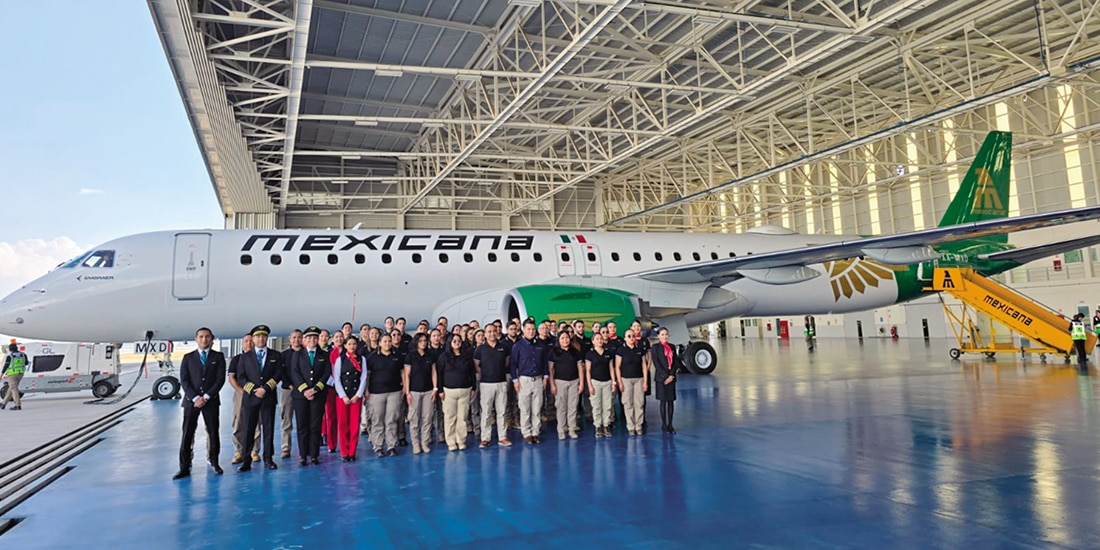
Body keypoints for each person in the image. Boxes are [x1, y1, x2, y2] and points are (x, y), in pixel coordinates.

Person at [173, 328, 226, 480]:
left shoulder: (218, 356)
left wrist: (207, 396)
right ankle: (184, 466)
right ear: (196, 339)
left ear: (212, 339)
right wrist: (196, 397)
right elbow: (184, 380)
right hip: (191, 402)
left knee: (213, 433)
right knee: (187, 434)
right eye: (201, 337)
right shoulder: (188, 357)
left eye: (207, 337)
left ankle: (214, 462)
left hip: (211, 401)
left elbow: (220, 379)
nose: (204, 339)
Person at [231, 325, 282, 472]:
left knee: (268, 429)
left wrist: (265, 389)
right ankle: (246, 460)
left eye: (264, 336)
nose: (261, 339)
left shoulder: (275, 355)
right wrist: (254, 390)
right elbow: (241, 377)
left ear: (267, 338)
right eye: (258, 336)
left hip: (268, 397)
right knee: (248, 430)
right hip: (251, 398)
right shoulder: (245, 357)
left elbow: (278, 374)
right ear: (253, 339)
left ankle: (268, 458)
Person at [289, 326, 331, 465]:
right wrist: (305, 390)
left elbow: (326, 373)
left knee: (315, 426)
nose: (312, 340)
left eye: (315, 338)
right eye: (309, 338)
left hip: (317, 395)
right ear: (305, 340)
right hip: (301, 396)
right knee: (302, 426)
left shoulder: (324, 355)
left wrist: (315, 389)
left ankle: (314, 455)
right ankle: (302, 455)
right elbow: (294, 372)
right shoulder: (298, 354)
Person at [510, 319, 549, 444]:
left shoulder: (540, 345)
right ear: (523, 330)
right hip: (524, 380)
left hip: (538, 379)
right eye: (528, 329)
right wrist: (515, 381)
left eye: (533, 329)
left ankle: (535, 432)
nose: (531, 332)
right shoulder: (518, 346)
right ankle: (526, 433)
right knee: (525, 408)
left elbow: (544, 363)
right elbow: (513, 364)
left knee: (537, 408)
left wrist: (546, 377)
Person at [366, 334, 404, 457]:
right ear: (380, 343)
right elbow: (367, 376)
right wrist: (366, 390)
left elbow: (402, 372)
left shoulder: (397, 356)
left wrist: (404, 387)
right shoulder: (372, 358)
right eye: (385, 341)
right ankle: (378, 446)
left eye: (389, 341)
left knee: (392, 419)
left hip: (394, 392)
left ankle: (391, 445)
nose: (387, 343)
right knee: (377, 420)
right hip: (376, 393)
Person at [474, 324, 511, 448]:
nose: (492, 334)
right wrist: (485, 375)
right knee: (486, 412)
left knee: (502, 411)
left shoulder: (504, 347)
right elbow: (477, 365)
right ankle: (485, 438)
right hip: (486, 384)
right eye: (489, 331)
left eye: (494, 331)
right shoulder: (480, 349)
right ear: (485, 334)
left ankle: (503, 437)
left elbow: (506, 362)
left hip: (501, 382)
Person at [438, 333, 476, 451]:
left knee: (462, 417)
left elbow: (472, 373)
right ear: (449, 342)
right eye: (454, 341)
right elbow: (439, 375)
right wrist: (440, 390)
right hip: (448, 391)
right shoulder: (443, 357)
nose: (457, 343)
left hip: (465, 391)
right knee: (450, 417)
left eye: (459, 341)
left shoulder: (466, 357)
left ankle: (461, 440)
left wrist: (473, 387)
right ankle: (451, 441)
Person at [332, 336, 367, 461]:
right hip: (343, 397)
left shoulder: (362, 359)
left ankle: (352, 451)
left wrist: (358, 394)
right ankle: (344, 452)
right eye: (349, 344)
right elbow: (337, 379)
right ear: (345, 346)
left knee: (354, 425)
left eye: (354, 344)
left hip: (356, 397)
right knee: (343, 424)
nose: (352, 346)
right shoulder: (339, 360)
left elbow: (363, 377)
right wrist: (343, 396)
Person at [228, 334, 260, 464]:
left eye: (251, 341)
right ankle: (239, 451)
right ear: (242, 344)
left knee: (256, 423)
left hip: (256, 394)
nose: (249, 343)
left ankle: (254, 451)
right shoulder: (237, 359)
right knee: (238, 422)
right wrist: (242, 392)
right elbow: (232, 378)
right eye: (246, 341)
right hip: (241, 393)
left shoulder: (259, 358)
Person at [403, 333, 437, 454]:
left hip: (428, 391)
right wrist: (407, 392)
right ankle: (416, 444)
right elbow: (406, 375)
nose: (423, 343)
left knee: (427, 418)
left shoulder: (430, 355)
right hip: (414, 391)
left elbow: (433, 372)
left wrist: (435, 388)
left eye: (425, 340)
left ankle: (425, 442)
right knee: (414, 419)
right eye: (421, 340)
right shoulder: (410, 356)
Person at [549, 331, 584, 439]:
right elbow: (551, 370)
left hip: (574, 382)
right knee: (561, 407)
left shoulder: (575, 352)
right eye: (562, 338)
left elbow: (580, 368)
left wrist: (581, 383)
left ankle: (572, 429)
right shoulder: (553, 352)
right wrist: (552, 384)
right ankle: (561, 429)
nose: (565, 340)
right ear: (558, 340)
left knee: (573, 406)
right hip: (560, 382)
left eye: (567, 338)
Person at [585, 333, 616, 438]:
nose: (600, 341)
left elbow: (611, 368)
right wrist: (590, 385)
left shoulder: (608, 353)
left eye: (601, 339)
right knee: (596, 406)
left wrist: (613, 381)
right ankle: (598, 426)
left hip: (607, 382)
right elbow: (588, 371)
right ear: (593, 341)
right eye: (597, 339)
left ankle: (606, 425)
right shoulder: (590, 354)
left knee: (607, 405)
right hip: (595, 382)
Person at [651, 328, 680, 433]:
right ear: (658, 336)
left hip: (671, 378)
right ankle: (664, 424)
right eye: (662, 334)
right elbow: (656, 363)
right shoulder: (655, 347)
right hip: (661, 379)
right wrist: (665, 377)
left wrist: (671, 375)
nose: (664, 336)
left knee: (671, 401)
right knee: (663, 402)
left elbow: (676, 361)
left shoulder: (672, 347)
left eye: (666, 334)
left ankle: (670, 424)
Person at [279, 329, 302, 458]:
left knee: (302, 420)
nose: (296, 340)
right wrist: (289, 384)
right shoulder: (284, 355)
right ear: (290, 339)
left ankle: (303, 447)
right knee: (286, 418)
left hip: (302, 391)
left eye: (299, 337)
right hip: (287, 390)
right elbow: (281, 372)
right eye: (294, 337)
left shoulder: (305, 353)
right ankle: (285, 447)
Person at [323, 330, 345, 455]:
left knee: (343, 417)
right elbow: (326, 370)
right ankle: (331, 444)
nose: (339, 339)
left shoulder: (348, 352)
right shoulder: (328, 354)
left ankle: (343, 443)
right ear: (333, 339)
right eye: (336, 337)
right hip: (331, 388)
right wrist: (334, 382)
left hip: (346, 389)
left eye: (341, 337)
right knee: (331, 416)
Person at [1, 342, 28, 411]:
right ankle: (3, 403)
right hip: (20, 374)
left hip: (12, 375)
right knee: (12, 388)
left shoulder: (10, 356)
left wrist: (1, 374)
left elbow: (6, 366)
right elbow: (26, 363)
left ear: (10, 350)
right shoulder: (23, 355)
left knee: (14, 389)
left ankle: (17, 405)